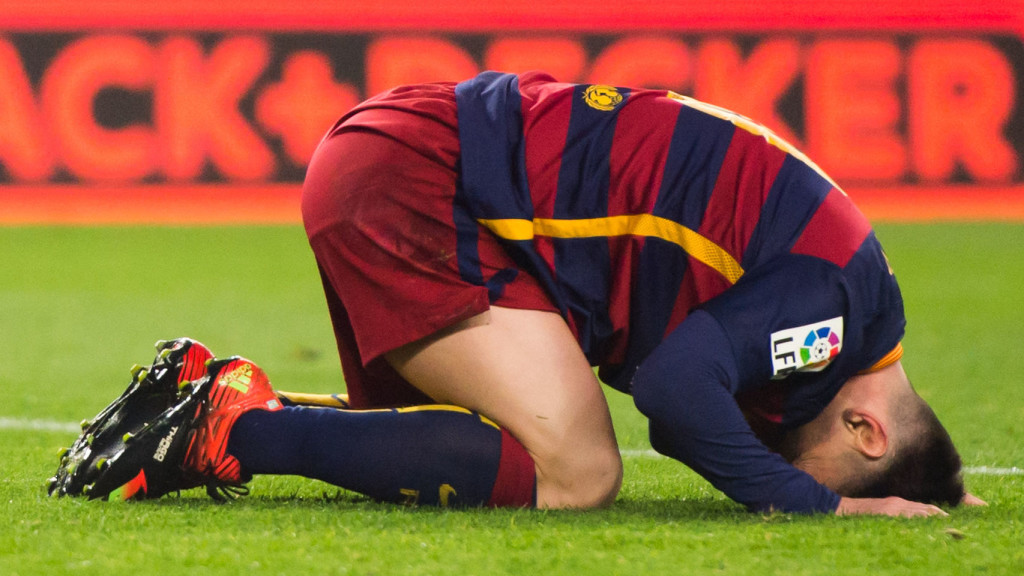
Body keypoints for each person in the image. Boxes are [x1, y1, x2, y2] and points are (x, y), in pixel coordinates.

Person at [173, 71, 977, 516]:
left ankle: (209, 400)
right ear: (868, 429)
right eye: (811, 464)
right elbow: (677, 393)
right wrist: (821, 508)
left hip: (416, 158)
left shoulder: (853, 294)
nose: (782, 464)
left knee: (485, 445)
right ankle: (229, 431)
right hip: (423, 183)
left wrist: (947, 492)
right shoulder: (831, 319)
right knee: (579, 473)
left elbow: (691, 402)